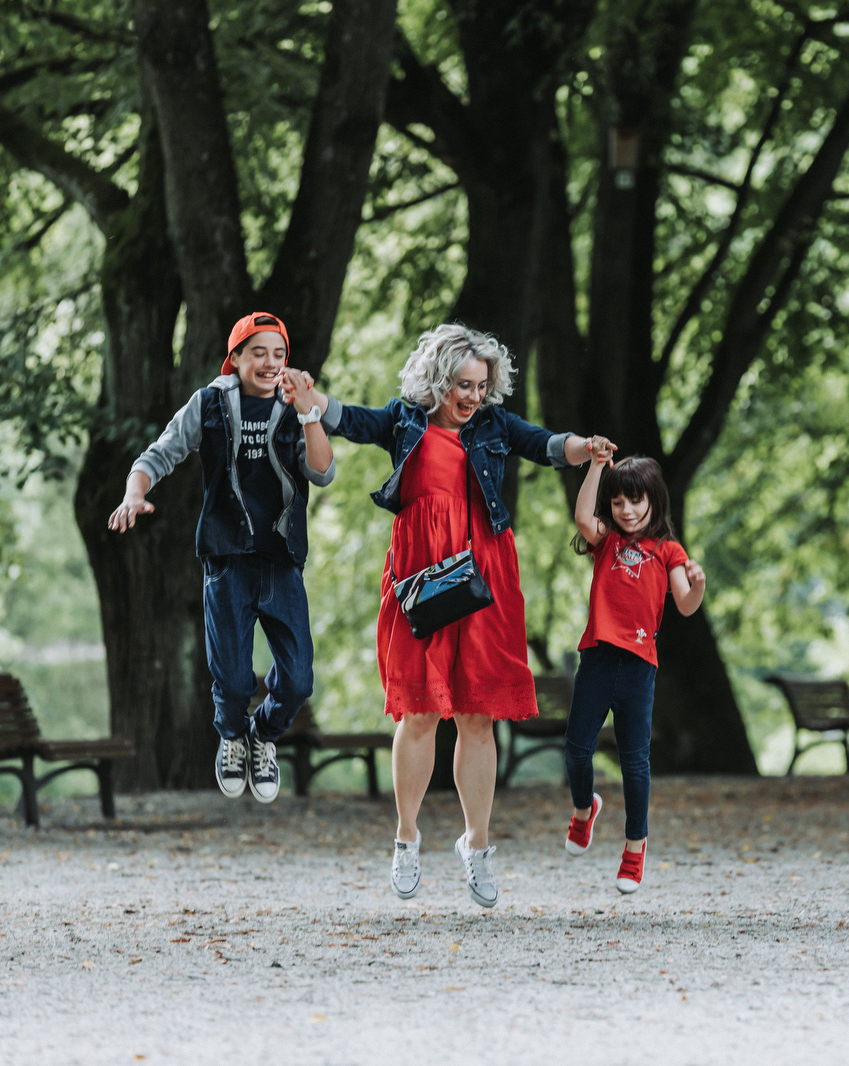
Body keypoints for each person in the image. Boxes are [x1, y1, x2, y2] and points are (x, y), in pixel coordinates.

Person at [287, 323, 609, 907]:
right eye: (464, 385)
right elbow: (349, 420)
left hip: (484, 573)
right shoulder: (403, 420)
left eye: (482, 386)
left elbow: (545, 444)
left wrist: (584, 447)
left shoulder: (494, 425)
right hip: (423, 575)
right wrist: (311, 399)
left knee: (478, 716)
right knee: (419, 713)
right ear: (438, 380)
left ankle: (477, 845)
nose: (474, 397)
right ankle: (407, 837)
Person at [108, 313, 335, 803]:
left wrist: (310, 412)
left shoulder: (296, 403)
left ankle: (263, 736)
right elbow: (159, 453)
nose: (270, 363)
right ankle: (233, 735)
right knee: (232, 681)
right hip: (227, 558)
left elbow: (322, 473)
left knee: (298, 682)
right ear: (235, 358)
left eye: (279, 354)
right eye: (259, 353)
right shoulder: (209, 403)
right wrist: (134, 494)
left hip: (281, 561)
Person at [563, 455, 705, 894]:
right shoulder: (606, 540)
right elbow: (583, 517)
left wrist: (698, 584)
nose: (627, 510)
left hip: (639, 668)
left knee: (634, 763)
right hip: (598, 659)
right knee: (576, 752)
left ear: (654, 500)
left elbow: (685, 604)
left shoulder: (668, 551)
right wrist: (595, 465)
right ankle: (584, 811)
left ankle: (634, 847)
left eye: (636, 501)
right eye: (618, 502)